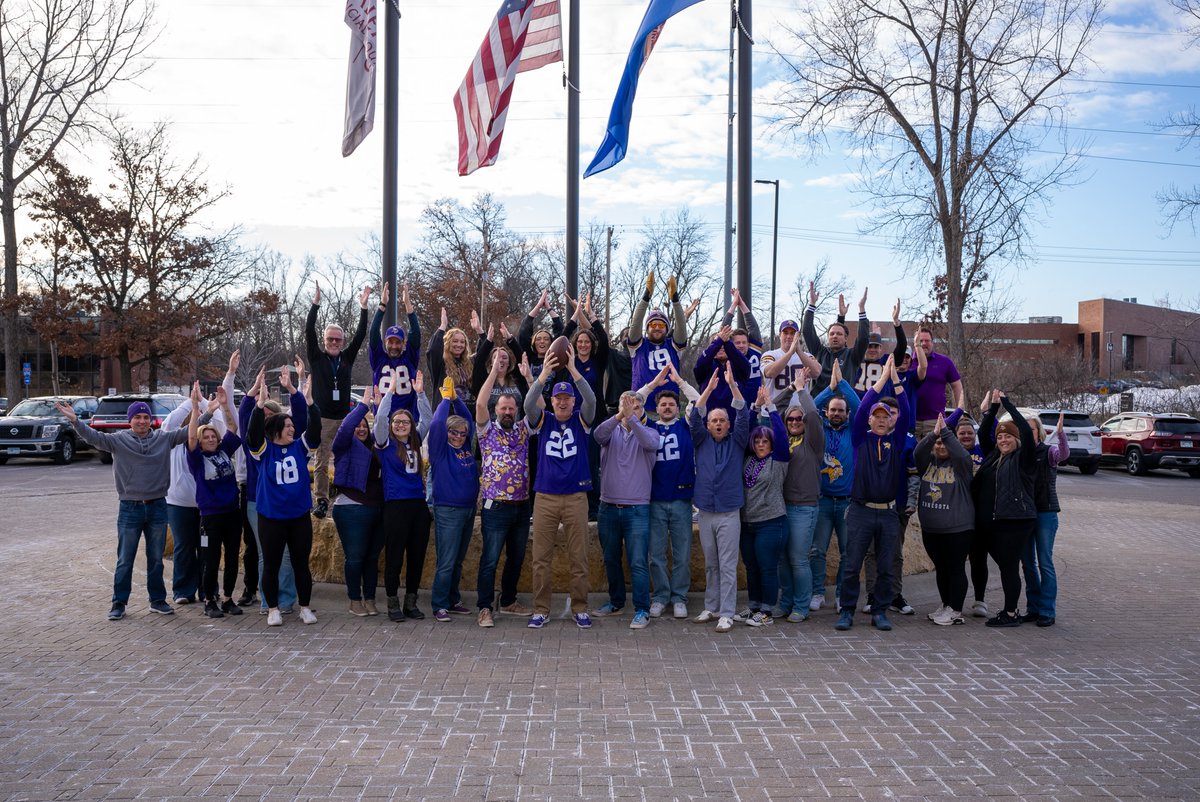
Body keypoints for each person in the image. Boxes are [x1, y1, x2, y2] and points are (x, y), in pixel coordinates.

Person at [59, 398, 191, 620]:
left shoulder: (162, 439)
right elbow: (93, 437)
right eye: (137, 417)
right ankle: (119, 603)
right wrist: (75, 421)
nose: (142, 421)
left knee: (156, 558)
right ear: (130, 420)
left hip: (158, 506)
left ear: (151, 420)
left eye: (146, 417)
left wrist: (202, 411)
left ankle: (157, 600)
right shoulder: (118, 441)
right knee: (125, 559)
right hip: (130, 508)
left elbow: (188, 432)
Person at [834, 355, 910, 632]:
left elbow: (907, 413)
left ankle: (879, 610)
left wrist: (897, 381)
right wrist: (882, 379)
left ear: (891, 421)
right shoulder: (859, 439)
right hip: (860, 511)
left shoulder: (897, 440)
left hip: (889, 513)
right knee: (852, 565)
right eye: (876, 417)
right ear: (869, 420)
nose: (881, 420)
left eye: (885, 417)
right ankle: (847, 612)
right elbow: (865, 402)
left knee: (887, 566)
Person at [523, 347, 597, 630]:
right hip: (545, 497)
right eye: (558, 398)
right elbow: (530, 405)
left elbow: (591, 399)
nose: (563, 402)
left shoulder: (581, 419)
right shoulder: (544, 420)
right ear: (551, 401)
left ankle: (580, 607)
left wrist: (575, 370)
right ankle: (541, 608)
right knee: (541, 558)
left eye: (567, 398)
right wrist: (542, 375)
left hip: (576, 497)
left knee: (579, 557)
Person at [247, 374, 322, 627]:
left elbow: (315, 431)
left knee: (302, 564)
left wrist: (310, 403)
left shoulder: (300, 448)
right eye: (288, 426)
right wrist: (259, 406)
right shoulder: (264, 451)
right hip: (271, 518)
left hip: (299, 517)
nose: (292, 428)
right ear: (277, 429)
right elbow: (252, 436)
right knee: (271, 564)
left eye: (292, 426)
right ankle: (273, 609)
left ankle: (305, 607)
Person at [162, 353, 237, 606]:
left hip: (208, 508)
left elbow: (221, 430)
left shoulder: (211, 445)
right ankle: (183, 590)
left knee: (208, 550)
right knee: (184, 547)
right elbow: (173, 423)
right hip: (180, 503)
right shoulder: (173, 440)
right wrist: (192, 403)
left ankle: (209, 590)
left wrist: (210, 405)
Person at [238, 362, 306, 615]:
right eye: (261, 415)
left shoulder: (290, 444)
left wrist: (293, 388)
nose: (264, 418)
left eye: (269, 415)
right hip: (258, 503)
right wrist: (254, 392)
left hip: (288, 508)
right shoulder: (255, 446)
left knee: (288, 557)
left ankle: (286, 600)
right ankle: (269, 603)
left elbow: (300, 420)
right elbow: (246, 419)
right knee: (267, 555)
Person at [690, 363, 751, 633]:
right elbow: (694, 417)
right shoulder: (700, 440)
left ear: (728, 425)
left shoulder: (737, 441)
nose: (717, 424)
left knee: (727, 565)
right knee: (711, 563)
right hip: (705, 511)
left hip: (728, 512)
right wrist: (709, 391)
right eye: (713, 420)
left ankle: (727, 612)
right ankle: (711, 606)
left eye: (722, 421)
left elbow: (744, 414)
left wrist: (732, 385)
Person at [592, 390, 660, 629]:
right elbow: (597, 435)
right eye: (626, 406)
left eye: (636, 407)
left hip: (637, 509)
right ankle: (616, 602)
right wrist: (621, 415)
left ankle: (642, 609)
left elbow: (651, 443)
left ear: (642, 411)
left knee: (638, 561)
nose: (631, 410)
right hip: (608, 507)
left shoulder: (649, 432)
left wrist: (632, 419)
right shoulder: (611, 432)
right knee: (611, 558)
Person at [475, 357, 535, 626]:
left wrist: (532, 379)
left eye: (511, 408)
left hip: (521, 506)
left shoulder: (524, 429)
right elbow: (479, 403)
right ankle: (484, 607)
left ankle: (508, 600)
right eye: (503, 408)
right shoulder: (486, 431)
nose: (508, 412)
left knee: (516, 557)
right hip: (495, 506)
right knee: (490, 558)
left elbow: (538, 407)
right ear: (496, 410)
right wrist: (493, 373)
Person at [635, 365, 698, 620]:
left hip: (682, 500)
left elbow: (697, 400)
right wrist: (653, 385)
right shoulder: (648, 426)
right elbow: (632, 400)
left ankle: (679, 597)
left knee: (682, 553)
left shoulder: (686, 426)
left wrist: (679, 381)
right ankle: (661, 596)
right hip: (655, 499)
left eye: (672, 404)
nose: (668, 407)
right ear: (657, 408)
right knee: (656, 554)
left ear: (678, 407)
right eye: (663, 405)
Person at [973, 390, 1038, 628]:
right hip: (995, 522)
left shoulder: (1024, 458)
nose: (1003, 441)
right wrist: (993, 409)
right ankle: (1011, 609)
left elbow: (1027, 435)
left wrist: (1008, 405)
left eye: (1007, 437)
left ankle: (1010, 613)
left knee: (1009, 567)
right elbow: (982, 432)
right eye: (1000, 437)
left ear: (1017, 438)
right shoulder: (993, 457)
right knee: (1005, 566)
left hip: (1016, 521)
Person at [306, 281, 371, 518]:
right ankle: (321, 500)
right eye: (330, 339)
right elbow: (309, 330)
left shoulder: (347, 357)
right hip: (322, 418)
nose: (334, 343)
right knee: (321, 462)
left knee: (349, 456)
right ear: (325, 341)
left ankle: (349, 495)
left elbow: (361, 334)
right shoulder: (316, 357)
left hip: (345, 418)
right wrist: (315, 304)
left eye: (338, 340)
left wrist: (363, 307)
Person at [374, 373, 434, 622]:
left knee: (417, 556)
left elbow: (428, 419)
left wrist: (420, 394)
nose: (400, 425)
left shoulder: (416, 440)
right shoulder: (384, 443)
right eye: (396, 422)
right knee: (395, 556)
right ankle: (392, 603)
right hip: (396, 506)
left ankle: (411, 601)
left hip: (417, 506)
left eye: (405, 422)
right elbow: (379, 420)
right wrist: (388, 394)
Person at [184, 382, 243, 619]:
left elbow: (232, 427)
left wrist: (225, 406)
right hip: (210, 516)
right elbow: (190, 435)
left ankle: (228, 598)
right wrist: (197, 410)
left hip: (232, 512)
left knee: (231, 558)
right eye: (205, 437)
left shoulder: (223, 451)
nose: (210, 439)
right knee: (210, 559)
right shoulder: (196, 459)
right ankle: (209, 600)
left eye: (212, 436)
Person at [809, 359, 861, 611]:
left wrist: (841, 383)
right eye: (833, 410)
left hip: (847, 502)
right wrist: (829, 389)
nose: (837, 413)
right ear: (827, 413)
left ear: (846, 414)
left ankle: (842, 594)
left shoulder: (854, 430)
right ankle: (818, 592)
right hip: (823, 500)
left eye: (841, 410)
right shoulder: (819, 427)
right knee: (817, 550)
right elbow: (810, 407)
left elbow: (859, 406)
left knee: (847, 552)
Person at [427, 377, 480, 623]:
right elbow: (437, 424)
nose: (459, 436)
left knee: (458, 560)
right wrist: (445, 401)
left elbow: (468, 420)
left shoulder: (466, 448)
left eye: (462, 434)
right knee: (446, 561)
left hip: (468, 510)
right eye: (454, 432)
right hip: (448, 511)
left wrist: (457, 400)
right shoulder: (440, 449)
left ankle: (452, 599)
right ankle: (439, 604)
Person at [914, 413, 976, 626]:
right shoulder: (928, 463)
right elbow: (918, 451)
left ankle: (956, 610)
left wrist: (946, 432)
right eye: (938, 444)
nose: (941, 446)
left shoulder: (962, 465)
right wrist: (934, 434)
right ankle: (946, 604)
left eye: (945, 443)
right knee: (941, 567)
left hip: (958, 529)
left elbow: (960, 454)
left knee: (955, 567)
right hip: (932, 529)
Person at [738, 386, 792, 627]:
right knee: (751, 566)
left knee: (767, 567)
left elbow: (780, 435)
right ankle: (754, 606)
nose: (761, 444)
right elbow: (745, 429)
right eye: (757, 440)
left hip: (771, 522)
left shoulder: (778, 460)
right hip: (747, 523)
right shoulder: (747, 458)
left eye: (765, 441)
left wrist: (770, 407)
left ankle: (767, 611)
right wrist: (755, 406)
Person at [331, 384, 386, 617]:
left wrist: (380, 406)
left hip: (377, 507)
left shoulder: (376, 447)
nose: (361, 429)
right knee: (355, 557)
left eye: (365, 426)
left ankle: (370, 598)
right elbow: (345, 429)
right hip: (351, 507)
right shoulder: (345, 445)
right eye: (358, 426)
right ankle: (355, 600)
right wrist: (363, 406)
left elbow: (384, 429)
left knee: (372, 557)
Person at [775, 371, 824, 622]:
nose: (794, 421)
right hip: (781, 507)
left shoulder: (812, 442)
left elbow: (813, 415)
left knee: (798, 559)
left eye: (798, 419)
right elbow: (775, 407)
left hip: (804, 508)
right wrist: (791, 386)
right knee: (783, 560)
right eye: (791, 419)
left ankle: (801, 605)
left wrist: (803, 391)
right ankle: (785, 602)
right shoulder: (781, 439)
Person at [1023, 412, 1067, 628]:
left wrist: (1060, 435)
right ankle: (1033, 608)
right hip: (1024, 515)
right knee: (1027, 563)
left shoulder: (1049, 452)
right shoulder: (1019, 453)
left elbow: (1064, 454)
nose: (1027, 432)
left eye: (1030, 429)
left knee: (1045, 562)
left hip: (1045, 513)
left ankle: (1047, 610)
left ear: (1038, 431)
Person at [948, 403, 988, 616]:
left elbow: (991, 430)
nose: (965, 436)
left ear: (975, 435)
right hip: (957, 515)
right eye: (961, 433)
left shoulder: (984, 451)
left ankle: (980, 600)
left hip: (979, 516)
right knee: (956, 561)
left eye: (969, 433)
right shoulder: (950, 453)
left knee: (978, 559)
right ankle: (955, 602)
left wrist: (987, 412)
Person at [626, 272, 689, 407]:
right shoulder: (639, 345)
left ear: (667, 329)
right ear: (647, 328)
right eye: (653, 324)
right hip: (641, 407)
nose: (657, 328)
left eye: (661, 325)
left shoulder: (672, 345)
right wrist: (646, 295)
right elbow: (635, 324)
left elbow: (682, 329)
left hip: (668, 407)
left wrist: (675, 299)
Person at [368, 281, 422, 421]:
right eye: (390, 342)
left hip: (407, 418)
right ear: (385, 342)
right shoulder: (379, 359)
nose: (394, 346)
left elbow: (415, 332)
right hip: (383, 417)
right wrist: (382, 305)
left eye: (398, 342)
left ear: (404, 343)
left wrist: (408, 305)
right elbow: (373, 332)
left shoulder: (409, 358)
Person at [802, 283, 871, 389]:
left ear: (846, 338)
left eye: (839, 334)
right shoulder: (820, 352)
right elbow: (807, 331)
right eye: (832, 334)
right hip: (819, 403)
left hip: (843, 404)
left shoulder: (852, 355)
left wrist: (861, 309)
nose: (835, 336)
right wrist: (812, 304)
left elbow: (863, 339)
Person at [909, 327, 965, 437]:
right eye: (921, 341)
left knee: (936, 453)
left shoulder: (944, 362)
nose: (924, 343)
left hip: (935, 420)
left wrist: (960, 411)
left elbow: (957, 385)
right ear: (915, 342)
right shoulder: (907, 362)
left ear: (932, 342)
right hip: (912, 420)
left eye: (927, 340)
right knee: (912, 454)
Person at [693, 325, 752, 424]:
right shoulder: (705, 367)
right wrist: (718, 341)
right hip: (709, 425)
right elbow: (700, 365)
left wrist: (727, 342)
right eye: (717, 344)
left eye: (723, 344)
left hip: (734, 426)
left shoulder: (738, 366)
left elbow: (744, 364)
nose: (720, 347)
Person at [852, 300, 906, 396]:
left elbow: (902, 347)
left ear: (881, 348)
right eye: (869, 346)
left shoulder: (886, 361)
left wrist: (897, 324)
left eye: (876, 346)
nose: (872, 349)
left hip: (881, 408)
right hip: (859, 407)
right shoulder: (855, 361)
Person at [426, 307, 475, 405]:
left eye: (462, 342)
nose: (459, 345)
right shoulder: (440, 363)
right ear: (448, 343)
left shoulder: (469, 362)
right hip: (448, 413)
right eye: (455, 341)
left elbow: (483, 354)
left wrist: (479, 331)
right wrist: (442, 326)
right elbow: (433, 350)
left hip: (467, 412)